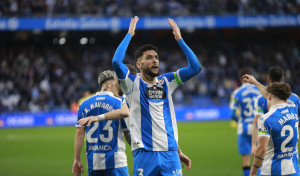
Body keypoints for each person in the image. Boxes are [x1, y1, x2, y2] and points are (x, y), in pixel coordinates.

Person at [111, 16, 201, 176]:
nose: (155, 61)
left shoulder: (167, 81)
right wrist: (130, 34)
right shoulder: (131, 84)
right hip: (145, 153)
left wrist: (180, 39)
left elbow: (195, 67)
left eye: (156, 58)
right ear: (138, 65)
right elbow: (117, 62)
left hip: (170, 153)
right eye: (149, 58)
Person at [72, 70, 130, 176]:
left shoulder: (84, 104)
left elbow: (79, 134)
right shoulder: (120, 104)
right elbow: (127, 134)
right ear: (108, 83)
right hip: (117, 163)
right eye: (117, 82)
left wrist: (76, 159)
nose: (120, 86)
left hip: (93, 163)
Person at [244, 82, 300, 176]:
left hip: (271, 171)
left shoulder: (265, 119)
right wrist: (255, 82)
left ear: (269, 96)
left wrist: (252, 173)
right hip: (293, 171)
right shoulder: (293, 109)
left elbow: (261, 149)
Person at [251, 66, 300, 157]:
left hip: (268, 144)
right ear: (283, 78)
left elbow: (256, 122)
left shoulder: (261, 99)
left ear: (268, 78)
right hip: (290, 148)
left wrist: (254, 145)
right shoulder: (295, 99)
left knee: (265, 167)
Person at [229, 67, 261, 176]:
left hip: (244, 128)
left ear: (241, 79)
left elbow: (233, 114)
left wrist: (241, 122)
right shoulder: (260, 90)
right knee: (260, 160)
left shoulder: (237, 93)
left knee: (246, 162)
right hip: (258, 128)